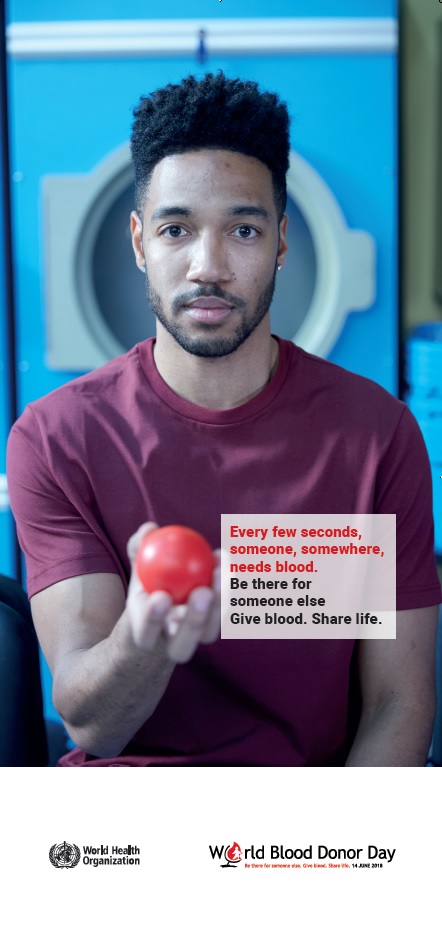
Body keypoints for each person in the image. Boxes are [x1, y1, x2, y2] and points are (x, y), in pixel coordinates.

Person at [6, 72, 441, 767]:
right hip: (127, 836)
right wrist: (145, 639)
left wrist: (345, 858)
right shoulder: (58, 439)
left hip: (304, 828)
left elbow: (399, 705)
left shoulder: (377, 436)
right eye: (177, 229)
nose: (208, 267)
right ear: (140, 241)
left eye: (242, 228)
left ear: (281, 242)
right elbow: (94, 728)